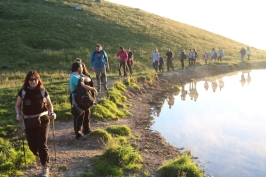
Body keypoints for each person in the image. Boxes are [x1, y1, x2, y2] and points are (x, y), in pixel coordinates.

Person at [15, 70, 56, 177]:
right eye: (31, 79)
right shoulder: (23, 92)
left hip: (43, 119)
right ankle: (39, 156)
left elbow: (49, 104)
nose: (33, 81)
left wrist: (51, 112)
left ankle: (45, 166)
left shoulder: (42, 91)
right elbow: (18, 105)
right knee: (32, 145)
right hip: (28, 121)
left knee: (42, 143)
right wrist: (18, 113)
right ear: (27, 80)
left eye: (35, 79)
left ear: (38, 79)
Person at [69, 62, 96, 140]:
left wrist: (83, 78)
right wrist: (91, 88)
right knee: (79, 115)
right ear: (78, 68)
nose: (82, 68)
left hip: (82, 97)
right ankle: (78, 134)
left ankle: (86, 129)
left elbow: (89, 79)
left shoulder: (79, 75)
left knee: (87, 112)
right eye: (81, 67)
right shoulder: (74, 76)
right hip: (76, 98)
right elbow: (82, 85)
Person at [81, 62, 95, 135]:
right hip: (79, 97)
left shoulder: (87, 75)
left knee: (87, 112)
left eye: (81, 67)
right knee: (82, 113)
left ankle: (86, 128)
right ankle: (82, 129)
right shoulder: (76, 76)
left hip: (86, 96)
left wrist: (93, 96)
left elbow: (92, 85)